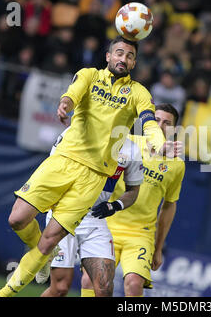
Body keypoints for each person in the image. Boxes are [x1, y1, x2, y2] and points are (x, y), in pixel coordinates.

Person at [0, 36, 182, 297]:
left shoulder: (138, 95)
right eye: (119, 53)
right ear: (108, 56)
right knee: (17, 219)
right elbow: (72, 93)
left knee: (94, 283)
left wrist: (160, 145)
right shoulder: (89, 75)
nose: (123, 59)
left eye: (129, 56)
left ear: (135, 62)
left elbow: (148, 122)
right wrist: (65, 104)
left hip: (92, 181)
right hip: (64, 161)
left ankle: (3, 293)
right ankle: (42, 254)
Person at [83, 104, 186, 297]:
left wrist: (158, 248)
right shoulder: (127, 143)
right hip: (107, 226)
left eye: (167, 123)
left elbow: (169, 205)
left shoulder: (177, 164)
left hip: (140, 234)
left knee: (134, 284)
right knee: (90, 280)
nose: (160, 126)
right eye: (155, 120)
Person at [39, 131, 144, 297]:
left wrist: (115, 205)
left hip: (96, 219)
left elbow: (133, 191)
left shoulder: (131, 149)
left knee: (104, 288)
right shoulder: (77, 130)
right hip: (64, 213)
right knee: (59, 289)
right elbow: (51, 167)